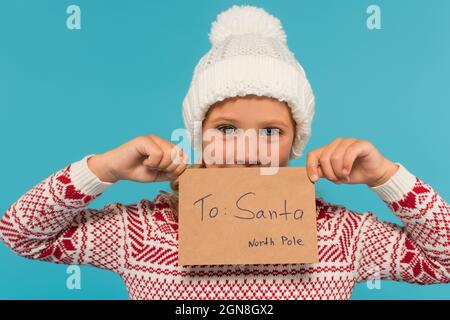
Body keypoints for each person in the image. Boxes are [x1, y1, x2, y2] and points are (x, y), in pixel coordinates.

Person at [0, 5, 449, 300]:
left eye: (271, 131)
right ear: (198, 134)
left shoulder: (341, 236)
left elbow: (442, 263)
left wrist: (386, 177)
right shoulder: (143, 231)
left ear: (296, 141)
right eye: (227, 129)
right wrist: (104, 169)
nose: (249, 147)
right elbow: (23, 234)